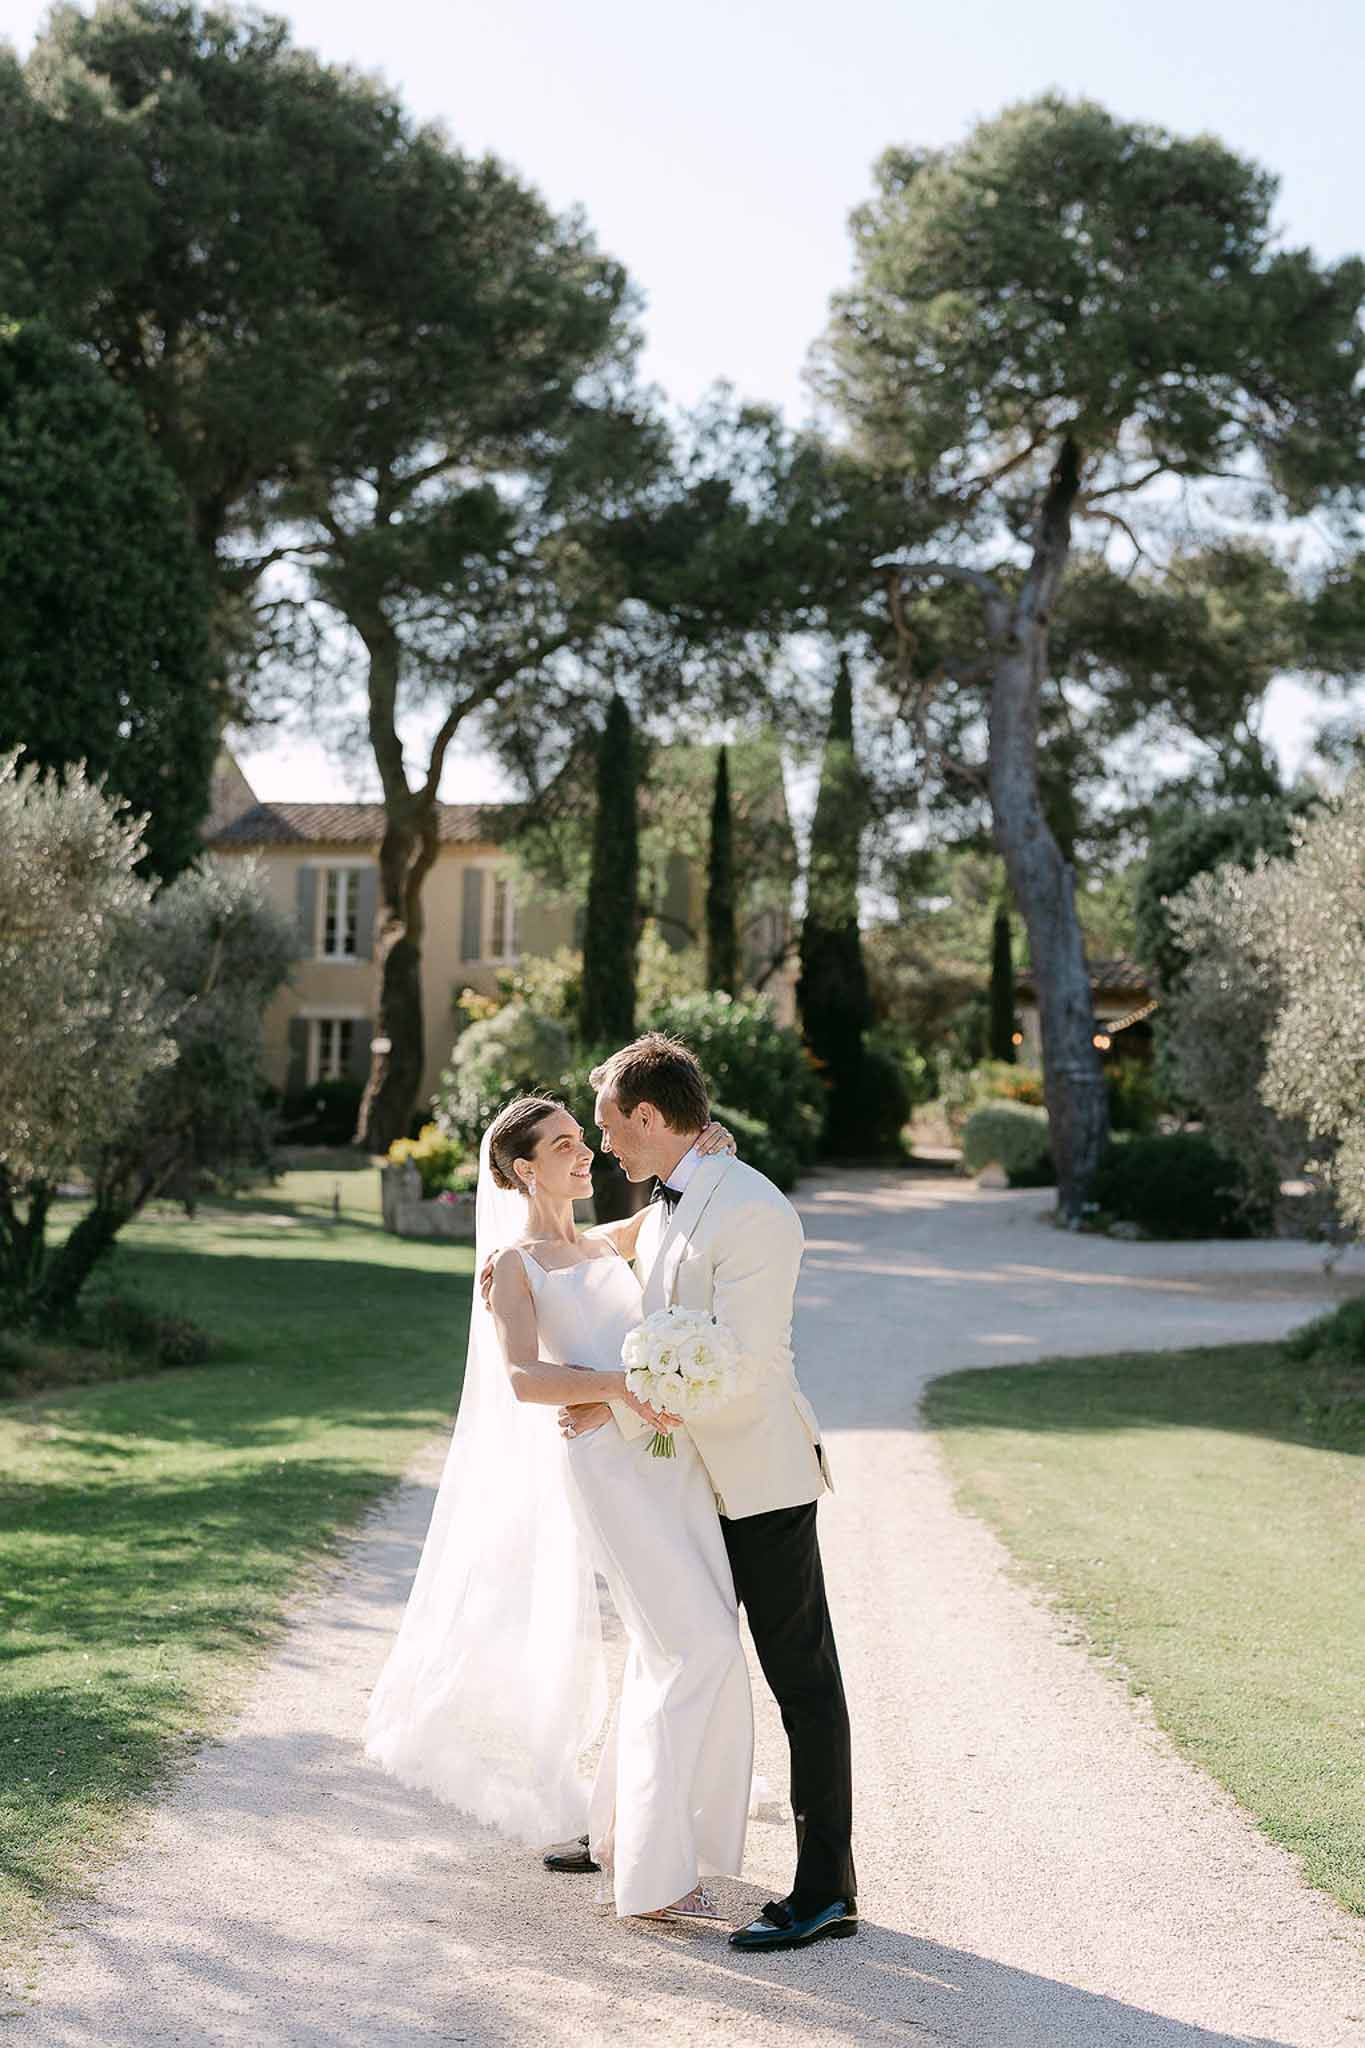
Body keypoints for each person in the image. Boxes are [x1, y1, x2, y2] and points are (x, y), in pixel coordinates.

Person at [507, 1034, 858, 1953]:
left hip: (760, 1478)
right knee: (670, 1645)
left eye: (613, 1127)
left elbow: (741, 1367)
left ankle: (826, 1888)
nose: (605, 1147)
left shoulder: (754, 1212)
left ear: (653, 1118)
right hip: (680, 1482)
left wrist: (613, 1409)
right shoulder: (664, 1195)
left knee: (800, 1680)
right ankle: (628, 1826)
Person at [365, 1094, 752, 1923]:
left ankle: (621, 1836)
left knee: (673, 1645)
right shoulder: (514, 1263)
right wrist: (619, 1388)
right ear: (520, 1169)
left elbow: (675, 1207)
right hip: (607, 1465)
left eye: (585, 1140)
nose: (585, 1155)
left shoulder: (605, 1240)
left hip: (667, 1462)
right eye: (564, 1145)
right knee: (699, 1645)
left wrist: (710, 1147)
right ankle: (654, 1878)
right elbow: (522, 1378)